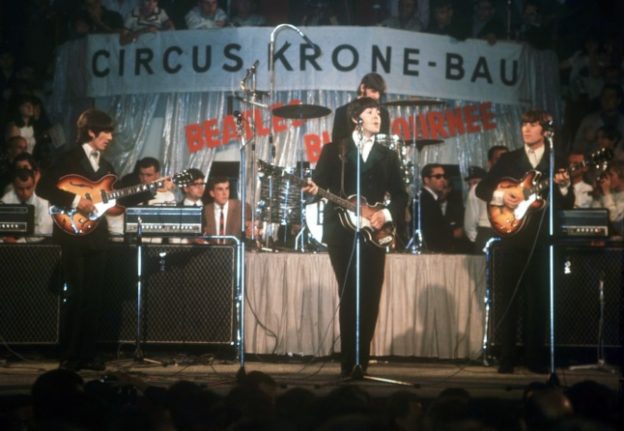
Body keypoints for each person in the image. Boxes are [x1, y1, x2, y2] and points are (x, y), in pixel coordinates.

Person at [303, 97, 407, 377]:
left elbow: (400, 195)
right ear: (355, 118)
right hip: (341, 232)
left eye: (379, 113)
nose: (378, 116)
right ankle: (348, 364)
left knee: (371, 295)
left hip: (375, 232)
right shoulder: (335, 150)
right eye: (371, 112)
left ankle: (362, 360)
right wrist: (311, 190)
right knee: (350, 294)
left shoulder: (388, 154)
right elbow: (317, 186)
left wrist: (384, 215)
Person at [475, 109, 574, 374]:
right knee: (508, 298)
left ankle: (535, 358)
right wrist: (502, 195)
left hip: (542, 239)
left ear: (545, 130)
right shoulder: (509, 159)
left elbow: (568, 202)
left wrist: (563, 186)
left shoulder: (556, 160)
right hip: (511, 237)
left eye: (532, 125)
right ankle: (506, 357)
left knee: (538, 299)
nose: (526, 129)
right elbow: (483, 189)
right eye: (524, 125)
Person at [36, 109, 118, 371]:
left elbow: (114, 201)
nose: (110, 137)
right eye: (106, 131)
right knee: (76, 295)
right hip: (72, 235)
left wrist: (147, 192)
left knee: (95, 297)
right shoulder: (68, 158)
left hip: (98, 237)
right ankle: (69, 354)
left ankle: (89, 353)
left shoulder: (107, 166)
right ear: (92, 131)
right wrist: (75, 200)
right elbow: (43, 188)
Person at [463, 145, 508, 253]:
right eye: (498, 159)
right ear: (490, 162)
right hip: (486, 233)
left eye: (506, 159)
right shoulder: (477, 188)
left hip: (510, 234)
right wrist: (480, 240)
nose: (503, 162)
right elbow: (469, 225)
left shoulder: (516, 186)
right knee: (485, 269)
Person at [332, 73, 390, 143]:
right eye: (373, 91)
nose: (377, 96)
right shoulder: (342, 112)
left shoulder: (383, 114)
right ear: (362, 88)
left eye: (379, 92)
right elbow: (337, 142)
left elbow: (384, 143)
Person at [1, 168, 52, 243]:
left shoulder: (44, 205)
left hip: (35, 248)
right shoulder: (4, 202)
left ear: (34, 185)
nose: (25, 192)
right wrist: (4, 239)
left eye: (28, 188)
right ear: (14, 187)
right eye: (20, 189)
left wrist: (19, 242)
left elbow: (42, 231)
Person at [203, 176, 252, 241]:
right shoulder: (204, 211)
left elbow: (250, 234)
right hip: (212, 250)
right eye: (220, 189)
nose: (225, 193)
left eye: (227, 188)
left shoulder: (243, 208)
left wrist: (250, 232)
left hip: (235, 250)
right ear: (212, 193)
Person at [419, 164, 454, 253]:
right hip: (430, 252)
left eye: (444, 176)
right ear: (426, 180)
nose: (443, 180)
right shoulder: (425, 199)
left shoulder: (431, 199)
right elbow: (430, 231)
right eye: (438, 176)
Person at [592, 160, 624, 237]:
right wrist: (598, 195)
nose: (608, 179)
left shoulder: (608, 194)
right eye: (607, 175)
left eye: (611, 175)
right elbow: (595, 216)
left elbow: (614, 220)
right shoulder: (608, 193)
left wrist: (606, 193)